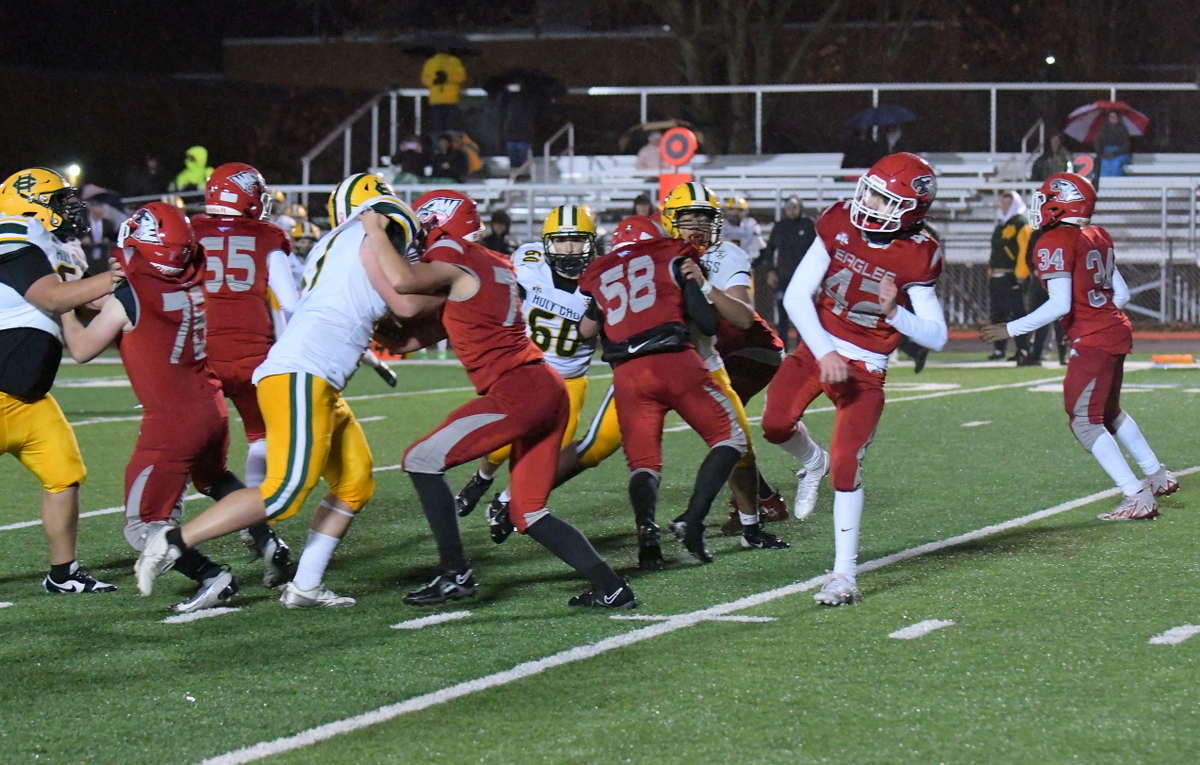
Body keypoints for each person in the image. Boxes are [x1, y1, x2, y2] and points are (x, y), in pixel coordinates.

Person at [134, 173, 434, 608]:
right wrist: (462, 291)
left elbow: (393, 327)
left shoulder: (335, 247)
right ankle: (172, 541)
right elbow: (407, 298)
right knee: (283, 493)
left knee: (355, 482)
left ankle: (305, 585)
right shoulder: (383, 219)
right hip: (303, 374)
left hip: (313, 377)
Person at [368, 192, 636, 610]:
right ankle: (612, 588)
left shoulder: (457, 254)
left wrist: (371, 230)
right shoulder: (491, 264)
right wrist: (364, 328)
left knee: (420, 459)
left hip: (519, 389)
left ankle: (455, 573)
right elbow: (407, 340)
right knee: (528, 512)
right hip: (547, 388)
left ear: (438, 222)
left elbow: (403, 285)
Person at [762, 152, 948, 606]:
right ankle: (812, 461)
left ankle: (843, 575)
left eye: (883, 200)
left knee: (847, 465)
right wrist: (825, 351)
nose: (868, 203)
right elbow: (797, 295)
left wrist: (895, 313)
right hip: (817, 346)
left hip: (866, 368)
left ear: (911, 210)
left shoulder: (919, 253)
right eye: (870, 192)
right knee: (774, 425)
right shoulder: (839, 220)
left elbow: (937, 335)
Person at [62, 203, 251, 613]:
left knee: (142, 526)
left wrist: (60, 307)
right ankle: (269, 542)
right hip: (210, 405)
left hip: (171, 422)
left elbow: (81, 348)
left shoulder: (131, 295)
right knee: (213, 479)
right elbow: (123, 302)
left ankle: (211, 576)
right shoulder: (189, 276)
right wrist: (85, 290)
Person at [980, 172, 1178, 520]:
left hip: (1095, 337)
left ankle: (1136, 495)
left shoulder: (1055, 240)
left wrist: (1010, 329)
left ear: (1062, 203)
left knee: (1085, 421)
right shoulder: (1097, 234)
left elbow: (1059, 304)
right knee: (1110, 412)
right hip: (1114, 329)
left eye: (1047, 198)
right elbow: (1121, 294)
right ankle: (1157, 476)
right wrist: (1093, 318)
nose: (1042, 205)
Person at [577, 209, 749, 566]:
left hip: (627, 373)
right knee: (730, 439)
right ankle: (693, 520)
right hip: (673, 360)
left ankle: (648, 540)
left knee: (643, 463)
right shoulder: (671, 254)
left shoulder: (602, 270)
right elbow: (707, 323)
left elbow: (585, 331)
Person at [0, 167, 122, 594]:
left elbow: (86, 300)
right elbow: (52, 297)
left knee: (64, 475)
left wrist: (141, 283)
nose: (68, 210)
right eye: (56, 201)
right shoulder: (13, 237)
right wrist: (117, 277)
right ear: (29, 205)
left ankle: (63, 574)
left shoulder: (51, 246)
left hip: (29, 399)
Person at [455, 205, 599, 536]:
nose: (569, 249)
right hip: (530, 370)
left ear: (590, 242)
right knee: (502, 442)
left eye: (577, 240)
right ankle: (482, 478)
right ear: (547, 243)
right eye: (560, 241)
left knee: (554, 451)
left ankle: (505, 501)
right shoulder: (528, 264)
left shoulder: (600, 280)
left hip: (571, 380)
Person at [192, 163, 300, 586]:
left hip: (202, 357)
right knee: (261, 438)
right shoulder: (268, 236)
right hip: (254, 357)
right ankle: (259, 527)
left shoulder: (192, 231)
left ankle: (254, 534)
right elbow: (289, 302)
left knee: (193, 457)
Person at [762, 196, 817, 349]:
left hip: (804, 278)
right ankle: (783, 348)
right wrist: (771, 270)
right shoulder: (780, 226)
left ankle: (803, 349)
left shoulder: (808, 225)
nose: (791, 211)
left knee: (804, 314)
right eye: (789, 208)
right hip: (784, 277)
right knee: (783, 313)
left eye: (794, 208)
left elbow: (816, 251)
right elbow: (770, 249)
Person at [986, 190, 1033, 362]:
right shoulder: (1001, 225)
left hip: (1012, 276)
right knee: (998, 314)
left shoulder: (1021, 223)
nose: (1004, 207)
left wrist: (1021, 275)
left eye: (1007, 203)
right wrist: (991, 271)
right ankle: (999, 349)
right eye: (1002, 203)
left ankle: (1023, 348)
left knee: (1018, 314)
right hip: (997, 276)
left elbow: (1024, 251)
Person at [421, 51, 466, 134]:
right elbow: (425, 79)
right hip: (436, 100)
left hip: (451, 100)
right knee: (437, 129)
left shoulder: (454, 61)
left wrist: (447, 77)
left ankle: (451, 141)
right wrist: (434, 79)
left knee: (452, 128)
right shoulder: (431, 62)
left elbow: (461, 77)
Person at [1096, 111, 1132, 178]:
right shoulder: (1103, 130)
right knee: (1104, 164)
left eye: (1115, 117)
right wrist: (1104, 154)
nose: (1113, 119)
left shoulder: (1123, 129)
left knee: (1117, 164)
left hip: (1120, 154)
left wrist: (1115, 153)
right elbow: (1098, 145)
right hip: (1106, 155)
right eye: (1111, 117)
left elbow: (1127, 146)